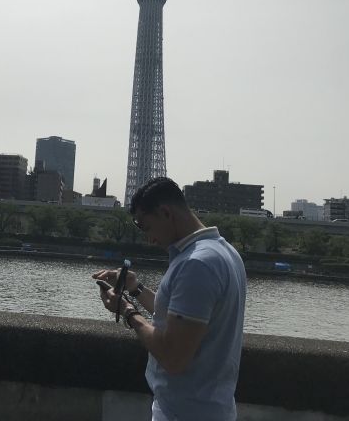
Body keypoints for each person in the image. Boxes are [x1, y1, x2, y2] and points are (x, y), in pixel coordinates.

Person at [93, 177, 246, 421]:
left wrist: (127, 312)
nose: (150, 239)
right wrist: (135, 287)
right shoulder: (225, 252)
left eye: (146, 227)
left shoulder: (197, 264)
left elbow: (173, 357)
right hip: (211, 408)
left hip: (184, 411)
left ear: (165, 212)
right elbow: (181, 319)